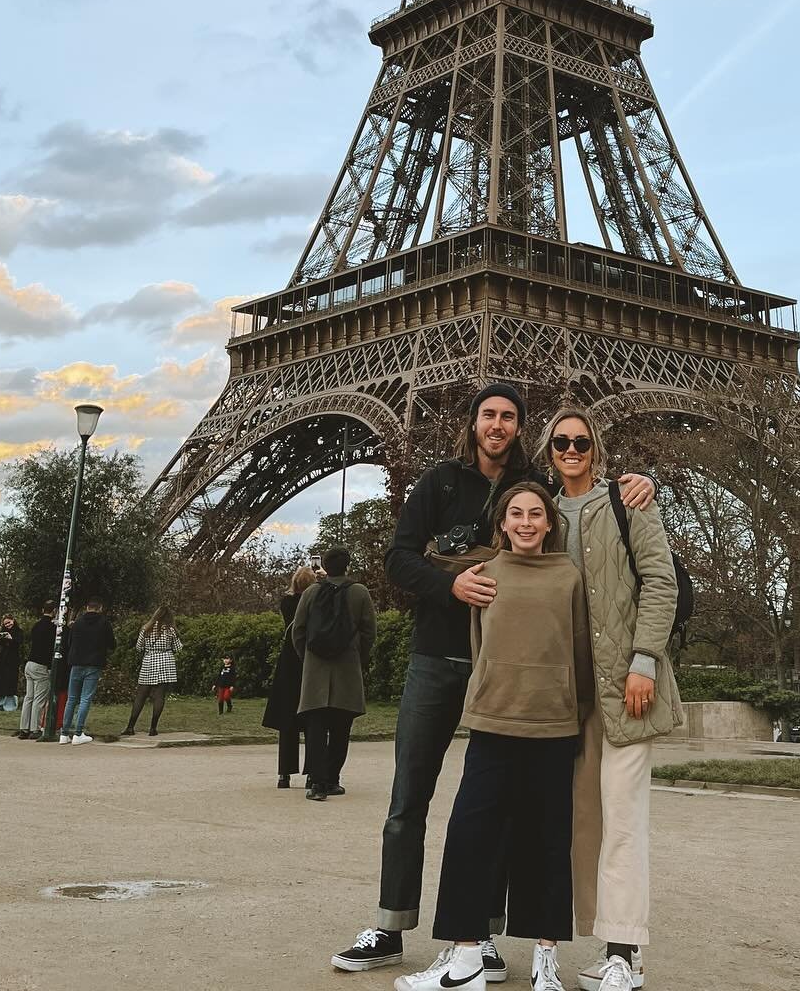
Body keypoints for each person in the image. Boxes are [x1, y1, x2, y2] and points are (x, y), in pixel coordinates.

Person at [332, 383, 654, 978]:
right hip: (441, 655)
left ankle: (482, 939)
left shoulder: (539, 489)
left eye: (509, 417)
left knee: (500, 808)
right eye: (488, 415)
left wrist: (638, 485)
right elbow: (399, 558)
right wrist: (449, 587)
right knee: (409, 798)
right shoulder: (438, 482)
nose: (497, 425)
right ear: (473, 422)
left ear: (520, 427)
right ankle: (391, 922)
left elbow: (595, 515)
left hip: (513, 671)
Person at [396, 480, 593, 991]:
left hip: (552, 723)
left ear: (550, 523)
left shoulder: (569, 576)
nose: (526, 522)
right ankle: (465, 956)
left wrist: (576, 707)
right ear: (502, 523)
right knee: (469, 834)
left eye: (535, 514)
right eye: (516, 514)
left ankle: (544, 956)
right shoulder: (482, 574)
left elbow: (579, 647)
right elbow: (478, 643)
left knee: (547, 841)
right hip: (493, 721)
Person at [540, 406, 683, 991]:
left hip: (627, 688)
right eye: (560, 443)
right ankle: (603, 938)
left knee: (623, 818)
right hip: (565, 694)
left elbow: (661, 579)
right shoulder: (537, 513)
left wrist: (644, 659)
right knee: (582, 821)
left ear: (595, 449)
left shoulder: (629, 502)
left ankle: (623, 950)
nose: (571, 451)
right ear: (548, 452)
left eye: (580, 442)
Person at [292, 546, 377, 801]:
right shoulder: (360, 593)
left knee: (315, 729)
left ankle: (316, 783)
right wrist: (356, 657)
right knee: (341, 729)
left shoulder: (311, 592)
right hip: (346, 670)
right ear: (348, 565)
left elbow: (298, 631)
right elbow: (369, 632)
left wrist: (308, 659)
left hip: (315, 671)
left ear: (325, 567)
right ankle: (332, 779)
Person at [264, 564, 318, 786]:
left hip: (288, 662)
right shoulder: (315, 604)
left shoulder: (287, 604)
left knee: (287, 722)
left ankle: (284, 774)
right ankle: (312, 772)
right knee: (313, 719)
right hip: (308, 659)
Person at [59, 597, 116, 745]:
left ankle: (64, 733)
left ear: (87, 608)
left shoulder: (77, 623)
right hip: (94, 663)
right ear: (100, 608)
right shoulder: (104, 623)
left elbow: (70, 642)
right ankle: (78, 733)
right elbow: (112, 644)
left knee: (71, 699)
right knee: (85, 698)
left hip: (76, 663)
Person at [122, 605, 182, 738]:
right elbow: (178, 648)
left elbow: (138, 647)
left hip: (149, 661)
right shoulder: (170, 630)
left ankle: (130, 726)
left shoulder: (146, 628)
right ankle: (153, 728)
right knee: (159, 696)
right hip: (166, 661)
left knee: (141, 695)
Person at [18, 601, 55, 738]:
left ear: (42, 610)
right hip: (41, 665)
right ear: (54, 611)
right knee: (39, 699)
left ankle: (24, 728)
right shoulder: (52, 628)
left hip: (30, 663)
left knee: (29, 697)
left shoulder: (36, 626)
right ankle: (35, 728)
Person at [0, 614, 22, 712]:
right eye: (5, 623)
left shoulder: (19, 632)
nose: (8, 625)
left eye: (9, 622)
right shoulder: (2, 631)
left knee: (10, 683)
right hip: (2, 660)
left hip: (13, 660)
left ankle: (10, 706)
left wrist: (10, 638)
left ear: (13, 620)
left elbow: (18, 642)